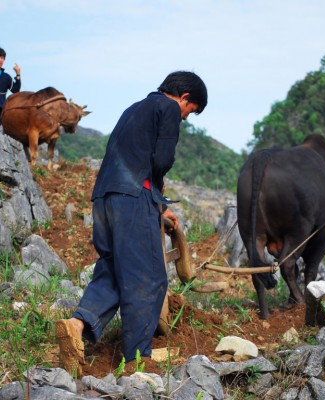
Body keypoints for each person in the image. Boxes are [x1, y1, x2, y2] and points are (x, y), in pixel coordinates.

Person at [56, 71, 208, 376]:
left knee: (114, 268)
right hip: (132, 199)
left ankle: (77, 324)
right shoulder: (166, 108)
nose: (185, 119)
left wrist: (158, 207)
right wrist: (155, 201)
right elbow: (161, 161)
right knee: (149, 277)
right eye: (189, 112)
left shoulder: (133, 109)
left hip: (104, 198)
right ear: (185, 98)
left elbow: (132, 160)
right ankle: (138, 360)